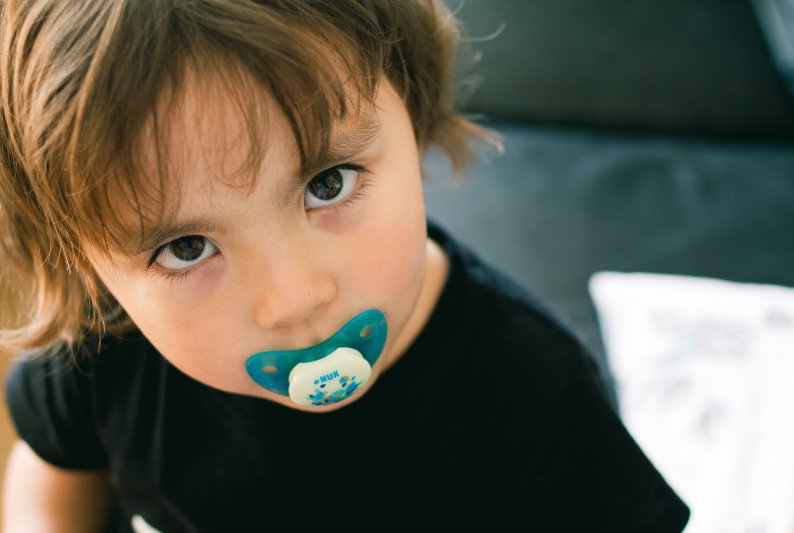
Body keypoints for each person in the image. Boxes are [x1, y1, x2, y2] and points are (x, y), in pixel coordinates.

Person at [0, 0, 690, 531]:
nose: (295, 298)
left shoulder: (533, 392)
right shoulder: (103, 348)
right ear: (87, 266)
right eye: (185, 247)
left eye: (327, 183)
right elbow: (54, 474)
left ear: (411, 109)